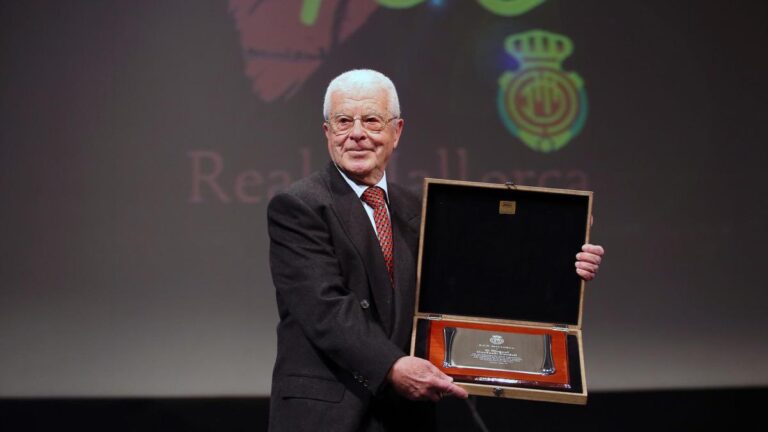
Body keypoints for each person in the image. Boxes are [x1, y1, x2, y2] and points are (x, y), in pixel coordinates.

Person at [266, 69, 605, 432]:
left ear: (397, 132)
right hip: (328, 416)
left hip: (405, 416)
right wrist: (393, 367)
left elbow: (484, 277)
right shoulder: (298, 206)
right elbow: (326, 308)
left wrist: (561, 258)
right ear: (327, 132)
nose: (357, 133)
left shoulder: (423, 208)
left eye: (372, 121)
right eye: (344, 121)